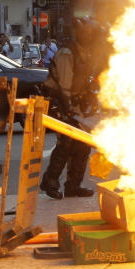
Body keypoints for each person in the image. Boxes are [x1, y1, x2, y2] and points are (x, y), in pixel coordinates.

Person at [39, 19, 102, 199]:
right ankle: (50, 181)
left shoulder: (85, 53)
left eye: (91, 32)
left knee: (82, 145)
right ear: (78, 33)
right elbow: (64, 86)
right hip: (60, 102)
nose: (89, 35)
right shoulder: (67, 53)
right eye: (85, 32)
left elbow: (84, 82)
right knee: (65, 144)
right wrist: (67, 109)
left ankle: (73, 186)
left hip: (74, 105)